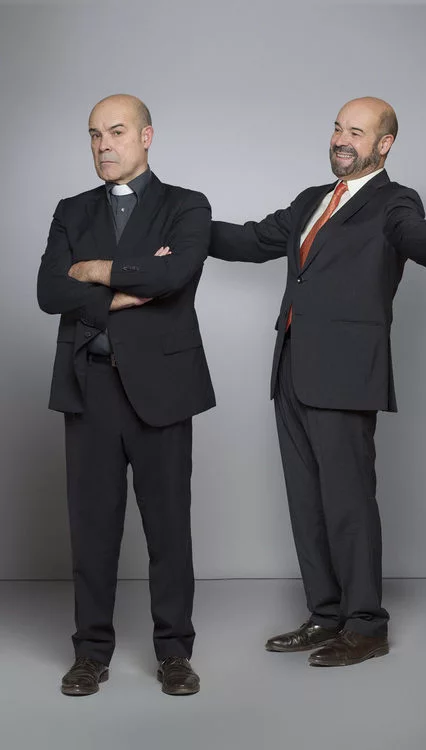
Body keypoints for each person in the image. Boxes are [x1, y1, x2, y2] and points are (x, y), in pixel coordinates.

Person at [208, 97, 426, 667]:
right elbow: (250, 240)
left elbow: (413, 232)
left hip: (343, 373)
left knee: (347, 503)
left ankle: (366, 626)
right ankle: (324, 614)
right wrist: (183, 226)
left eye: (357, 132)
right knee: (306, 502)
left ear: (384, 144)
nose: (342, 138)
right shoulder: (310, 201)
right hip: (291, 367)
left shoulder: (394, 201)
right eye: (338, 127)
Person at [37, 94, 215, 696]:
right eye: (94, 134)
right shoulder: (71, 209)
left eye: (116, 132)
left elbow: (172, 276)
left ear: (146, 136)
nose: (103, 145)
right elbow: (48, 291)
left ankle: (174, 653)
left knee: (169, 529)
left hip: (163, 388)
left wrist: (90, 270)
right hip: (89, 386)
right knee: (92, 530)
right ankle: (90, 653)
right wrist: (124, 286)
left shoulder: (187, 204)